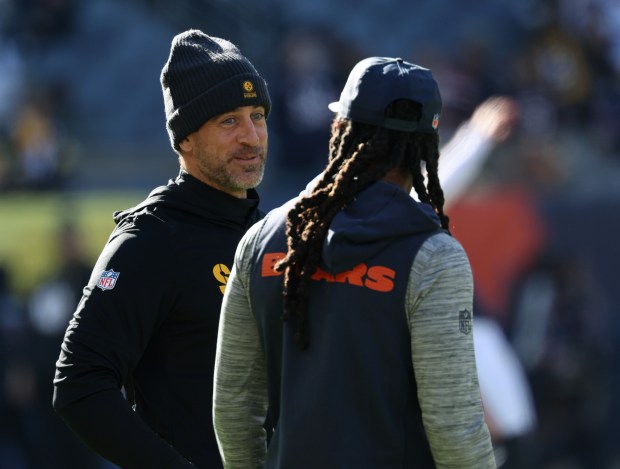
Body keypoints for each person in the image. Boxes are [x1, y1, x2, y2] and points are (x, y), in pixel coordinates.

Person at [213, 56, 496, 468]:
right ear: (425, 147)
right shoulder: (434, 256)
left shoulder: (262, 239)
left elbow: (234, 411)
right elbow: (454, 427)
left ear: (339, 128)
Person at [52, 29, 270, 468]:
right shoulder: (151, 239)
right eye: (229, 121)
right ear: (185, 139)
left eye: (258, 115)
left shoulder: (272, 233)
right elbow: (79, 384)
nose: (251, 136)